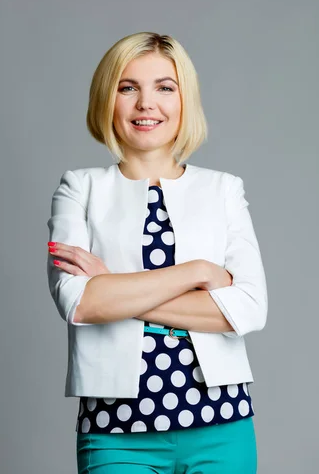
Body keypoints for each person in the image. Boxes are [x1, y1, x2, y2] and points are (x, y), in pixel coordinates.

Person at [46, 31, 268, 473]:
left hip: (221, 424)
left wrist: (117, 289)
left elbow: (248, 309)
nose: (147, 103)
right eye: (128, 88)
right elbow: (82, 303)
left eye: (165, 87)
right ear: (107, 100)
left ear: (185, 100)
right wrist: (199, 272)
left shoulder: (224, 190)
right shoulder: (79, 188)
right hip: (114, 429)